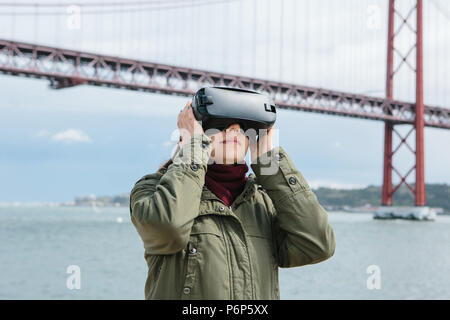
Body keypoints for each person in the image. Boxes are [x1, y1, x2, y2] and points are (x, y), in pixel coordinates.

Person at [129, 100, 336, 300]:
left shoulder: (263, 202)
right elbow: (168, 227)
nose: (234, 128)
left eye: (244, 126)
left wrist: (269, 163)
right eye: (219, 123)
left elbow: (318, 245)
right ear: (192, 134)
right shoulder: (153, 190)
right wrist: (192, 149)